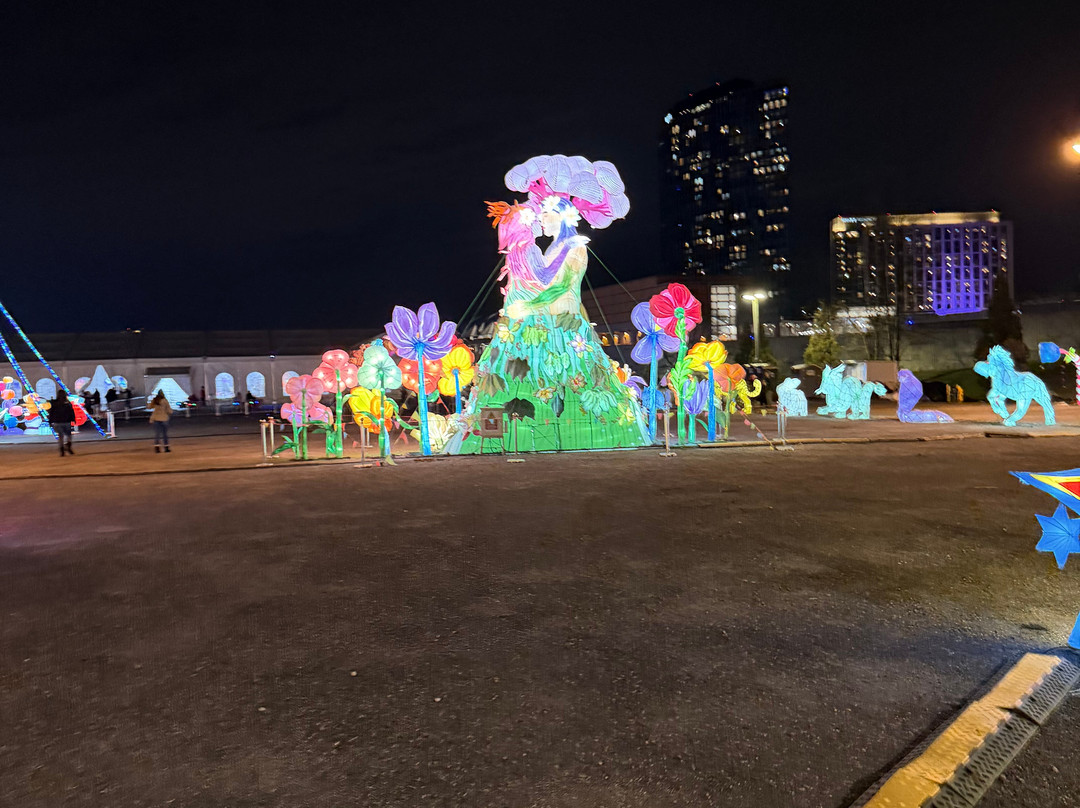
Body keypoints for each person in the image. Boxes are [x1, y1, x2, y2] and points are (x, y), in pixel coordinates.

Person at [48, 389, 76, 456]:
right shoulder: (67, 403)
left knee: (61, 436)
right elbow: (71, 412)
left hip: (58, 422)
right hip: (66, 421)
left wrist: (50, 421)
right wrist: (73, 419)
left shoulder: (54, 403)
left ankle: (62, 449)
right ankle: (68, 446)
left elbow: (51, 413)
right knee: (69, 435)